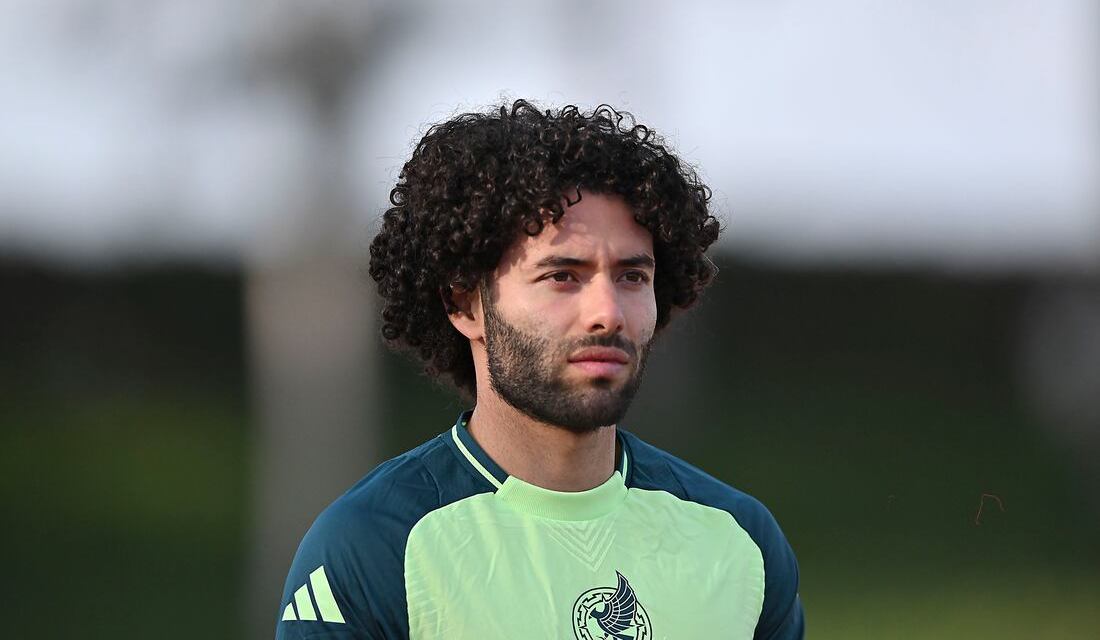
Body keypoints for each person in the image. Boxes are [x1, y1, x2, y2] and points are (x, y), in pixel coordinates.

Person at [275, 100, 805, 639]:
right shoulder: (375, 545)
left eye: (631, 277)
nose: (607, 313)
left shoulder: (740, 544)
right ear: (465, 305)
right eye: (562, 276)